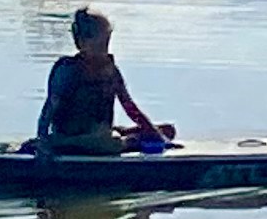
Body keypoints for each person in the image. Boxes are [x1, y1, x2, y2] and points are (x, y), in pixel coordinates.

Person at [36, 8, 172, 157]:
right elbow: (49, 109)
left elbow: (129, 106)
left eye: (107, 44)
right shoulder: (69, 71)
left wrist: (150, 130)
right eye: (100, 44)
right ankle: (128, 142)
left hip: (101, 134)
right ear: (82, 43)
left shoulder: (111, 71)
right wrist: (42, 142)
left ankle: (128, 139)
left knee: (168, 130)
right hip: (72, 137)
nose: (105, 49)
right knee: (108, 142)